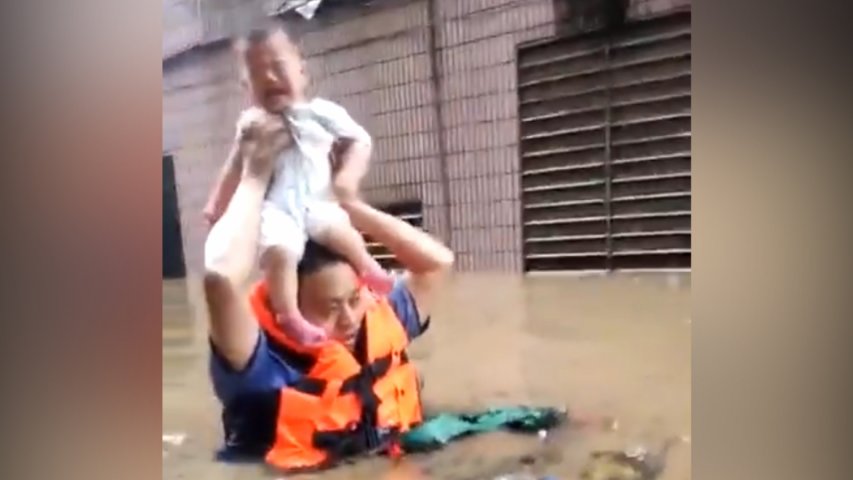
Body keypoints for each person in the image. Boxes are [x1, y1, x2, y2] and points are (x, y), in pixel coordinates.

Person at [202, 110, 455, 471]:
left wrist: (349, 202)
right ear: (283, 306)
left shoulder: (379, 320)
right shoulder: (259, 365)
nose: (350, 318)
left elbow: (438, 262)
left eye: (354, 299)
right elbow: (220, 279)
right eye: (329, 307)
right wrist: (255, 180)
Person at [203, 26, 394, 346]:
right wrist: (216, 206)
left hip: (319, 198)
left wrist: (348, 178)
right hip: (277, 209)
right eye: (257, 73)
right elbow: (234, 167)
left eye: (277, 66)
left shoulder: (322, 113)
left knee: (340, 232)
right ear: (246, 86)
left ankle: (368, 268)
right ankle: (289, 315)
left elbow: (360, 140)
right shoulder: (251, 124)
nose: (270, 78)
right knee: (280, 253)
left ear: (302, 72)